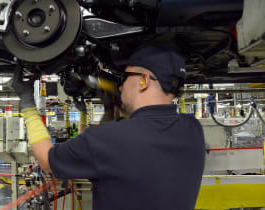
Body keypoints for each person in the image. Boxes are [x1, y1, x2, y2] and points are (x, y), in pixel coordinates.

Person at [13, 45, 205, 210]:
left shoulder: (106, 138)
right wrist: (105, 112)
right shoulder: (193, 130)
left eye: (125, 78)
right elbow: (116, 149)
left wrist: (27, 103)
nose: (120, 87)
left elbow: (47, 161)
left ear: (144, 81)